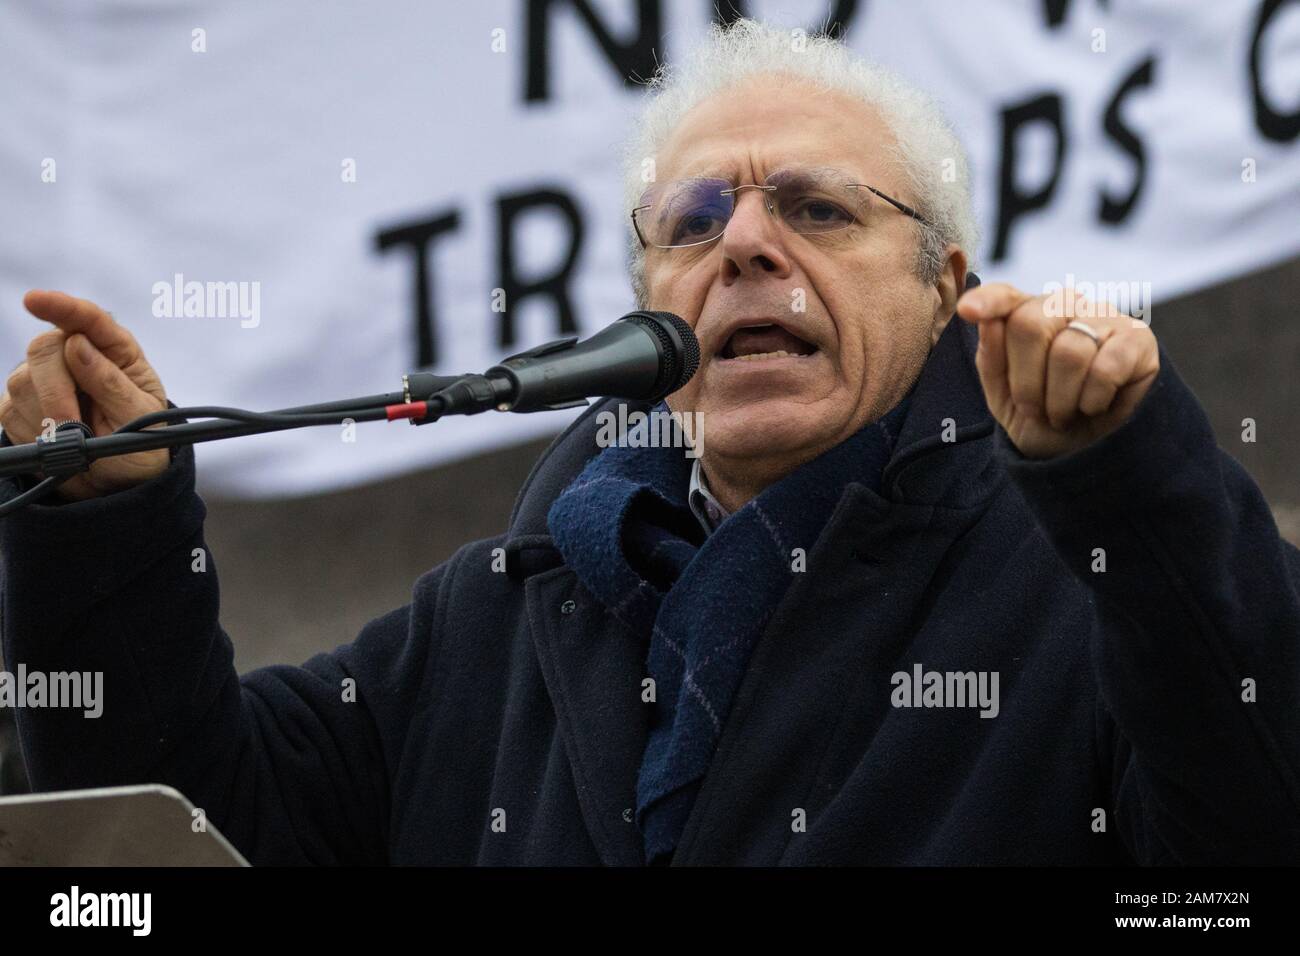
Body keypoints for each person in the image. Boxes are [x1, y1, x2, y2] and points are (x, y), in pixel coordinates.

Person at [1, 19, 1297, 865]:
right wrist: (109, 528)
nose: (742, 243)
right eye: (691, 221)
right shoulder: (490, 622)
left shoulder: (1088, 582)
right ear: (647, 300)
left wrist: (1129, 483)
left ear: (942, 280)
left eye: (815, 208)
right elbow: (167, 846)